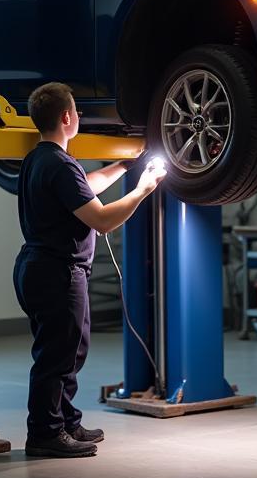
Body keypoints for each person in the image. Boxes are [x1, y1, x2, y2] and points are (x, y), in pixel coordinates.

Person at [13, 82, 166, 458]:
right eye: (77, 112)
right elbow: (101, 219)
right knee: (58, 356)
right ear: (67, 118)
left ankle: (66, 422)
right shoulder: (59, 164)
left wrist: (125, 166)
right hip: (58, 273)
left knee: (68, 350)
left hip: (38, 268)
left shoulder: (40, 159)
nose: (79, 117)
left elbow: (83, 187)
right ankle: (46, 434)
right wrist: (143, 190)